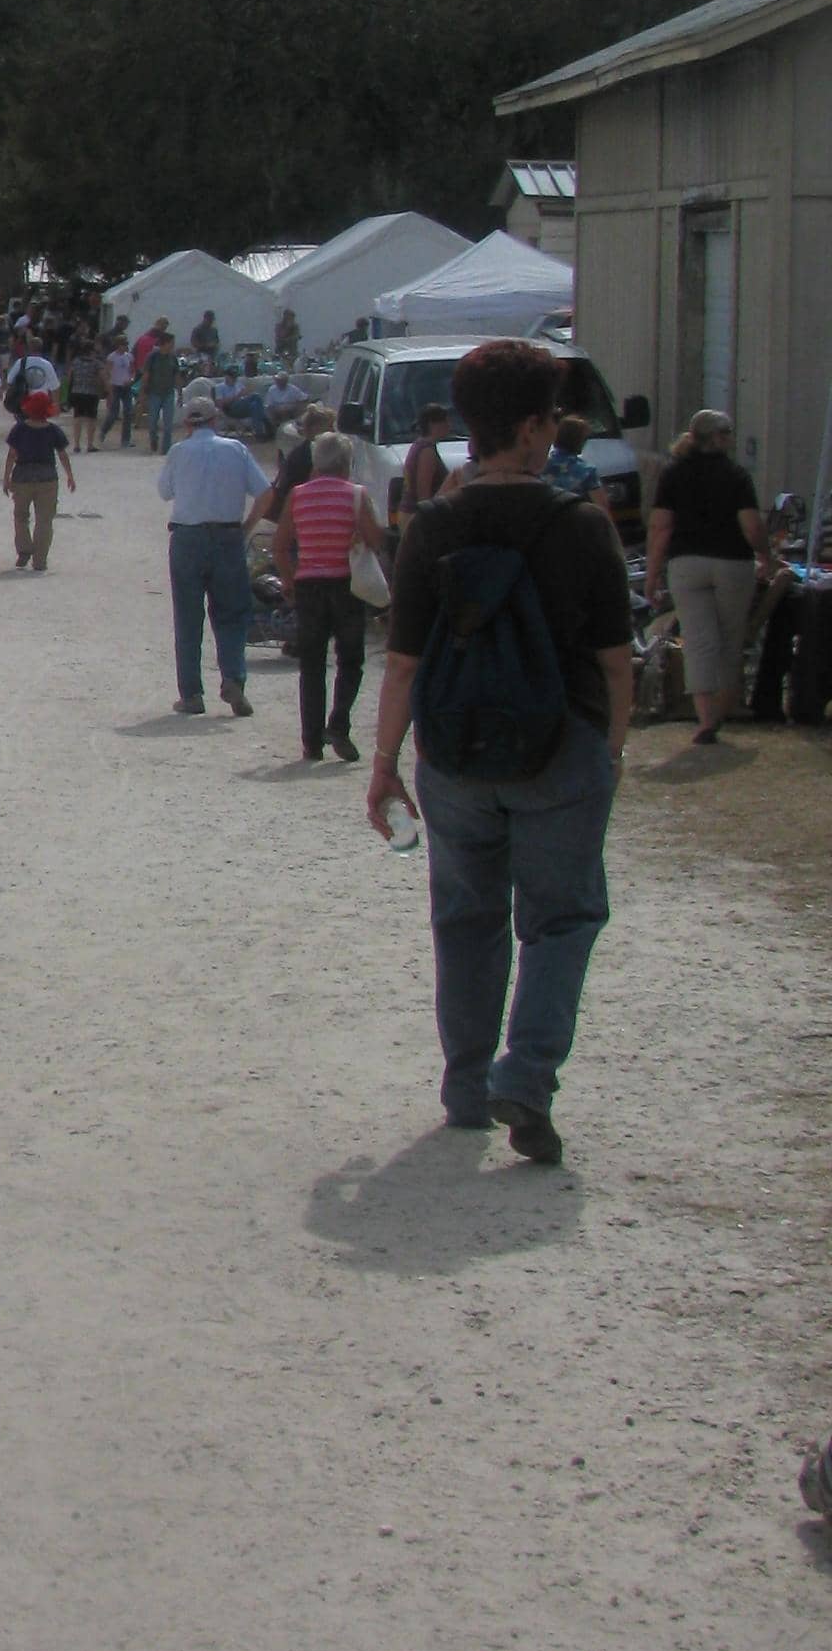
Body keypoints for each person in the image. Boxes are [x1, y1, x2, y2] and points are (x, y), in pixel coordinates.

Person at [367, 337, 634, 1162]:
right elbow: (616, 660)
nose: (554, 432)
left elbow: (404, 662)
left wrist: (383, 766)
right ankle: (529, 1073)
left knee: (466, 920)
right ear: (526, 428)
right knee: (562, 918)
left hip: (454, 752)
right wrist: (611, 751)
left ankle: (467, 1086)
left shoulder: (433, 526)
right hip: (561, 747)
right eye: (549, 418)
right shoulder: (580, 524)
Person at [644, 406, 772, 745]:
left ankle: (704, 717)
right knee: (730, 638)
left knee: (698, 639)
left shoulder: (673, 474)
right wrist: (766, 554)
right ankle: (723, 708)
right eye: (728, 431)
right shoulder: (736, 476)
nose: (732, 436)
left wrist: (653, 573)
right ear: (717, 437)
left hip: (686, 563)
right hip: (732, 562)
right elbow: (751, 525)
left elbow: (660, 527)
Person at [158, 385, 271, 715]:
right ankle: (234, 678)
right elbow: (266, 493)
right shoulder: (236, 449)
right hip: (227, 536)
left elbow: (165, 492)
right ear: (215, 420)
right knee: (232, 613)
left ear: (188, 423)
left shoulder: (179, 452)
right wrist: (247, 526)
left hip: (187, 537)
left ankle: (191, 693)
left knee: (188, 616)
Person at [276, 429, 384, 762]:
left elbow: (280, 546)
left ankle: (311, 741)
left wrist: (290, 581)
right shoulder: (356, 495)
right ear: (346, 462)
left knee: (312, 665)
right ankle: (338, 722)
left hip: (309, 586)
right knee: (350, 660)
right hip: (345, 586)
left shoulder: (298, 495)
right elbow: (376, 541)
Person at [4, 386, 77, 570]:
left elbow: (12, 455)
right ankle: (40, 560)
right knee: (44, 519)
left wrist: (6, 478)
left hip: (22, 476)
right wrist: (70, 475)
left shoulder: (19, 429)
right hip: (47, 477)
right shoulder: (53, 430)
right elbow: (62, 455)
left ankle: (24, 549)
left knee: (20, 516)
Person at [392, 401, 457, 536]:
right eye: (446, 423)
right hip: (415, 517)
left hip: (409, 515)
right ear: (433, 425)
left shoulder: (419, 445)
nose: (449, 427)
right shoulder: (427, 451)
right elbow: (424, 494)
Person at [141, 325, 182, 455]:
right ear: (165, 343)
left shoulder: (173, 358)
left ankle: (166, 449)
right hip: (154, 393)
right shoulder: (152, 357)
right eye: (171, 343)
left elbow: (177, 375)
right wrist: (143, 392)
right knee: (152, 422)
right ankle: (154, 439)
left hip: (168, 393)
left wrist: (180, 392)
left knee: (168, 423)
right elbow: (146, 374)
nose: (173, 345)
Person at [65, 334, 105, 449]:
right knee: (91, 419)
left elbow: (69, 377)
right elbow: (103, 377)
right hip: (91, 393)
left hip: (77, 391)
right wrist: (106, 389)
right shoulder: (96, 363)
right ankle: (89, 444)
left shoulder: (76, 361)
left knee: (77, 417)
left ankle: (77, 444)